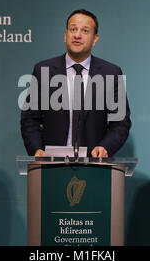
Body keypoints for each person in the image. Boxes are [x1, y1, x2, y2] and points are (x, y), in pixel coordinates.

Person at [20, 9, 131, 158]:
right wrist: (36, 149)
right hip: (51, 163)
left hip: (93, 163)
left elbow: (120, 122)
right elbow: (29, 118)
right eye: (73, 29)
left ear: (95, 39)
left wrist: (105, 147)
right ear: (65, 36)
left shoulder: (111, 73)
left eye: (85, 31)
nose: (77, 35)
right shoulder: (43, 70)